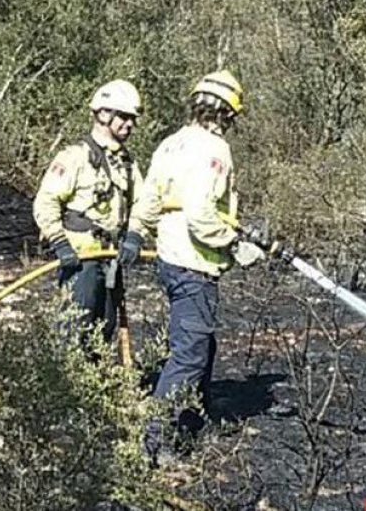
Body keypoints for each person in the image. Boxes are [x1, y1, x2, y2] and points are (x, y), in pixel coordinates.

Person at [117, 69, 266, 463]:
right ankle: (156, 441)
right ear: (228, 114)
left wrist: (135, 233)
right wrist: (235, 244)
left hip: (170, 259)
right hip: (194, 263)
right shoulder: (215, 151)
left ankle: (194, 419)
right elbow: (201, 215)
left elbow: (150, 197)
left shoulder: (172, 143)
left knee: (201, 344)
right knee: (189, 355)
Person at [32, 80, 146, 350]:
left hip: (111, 261)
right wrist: (60, 243)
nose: (130, 125)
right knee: (73, 333)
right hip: (80, 262)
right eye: (125, 117)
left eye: (133, 119)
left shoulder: (128, 164)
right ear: (104, 114)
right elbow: (45, 202)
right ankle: (65, 390)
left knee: (104, 331)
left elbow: (143, 203)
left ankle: (96, 387)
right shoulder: (74, 158)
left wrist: (134, 236)